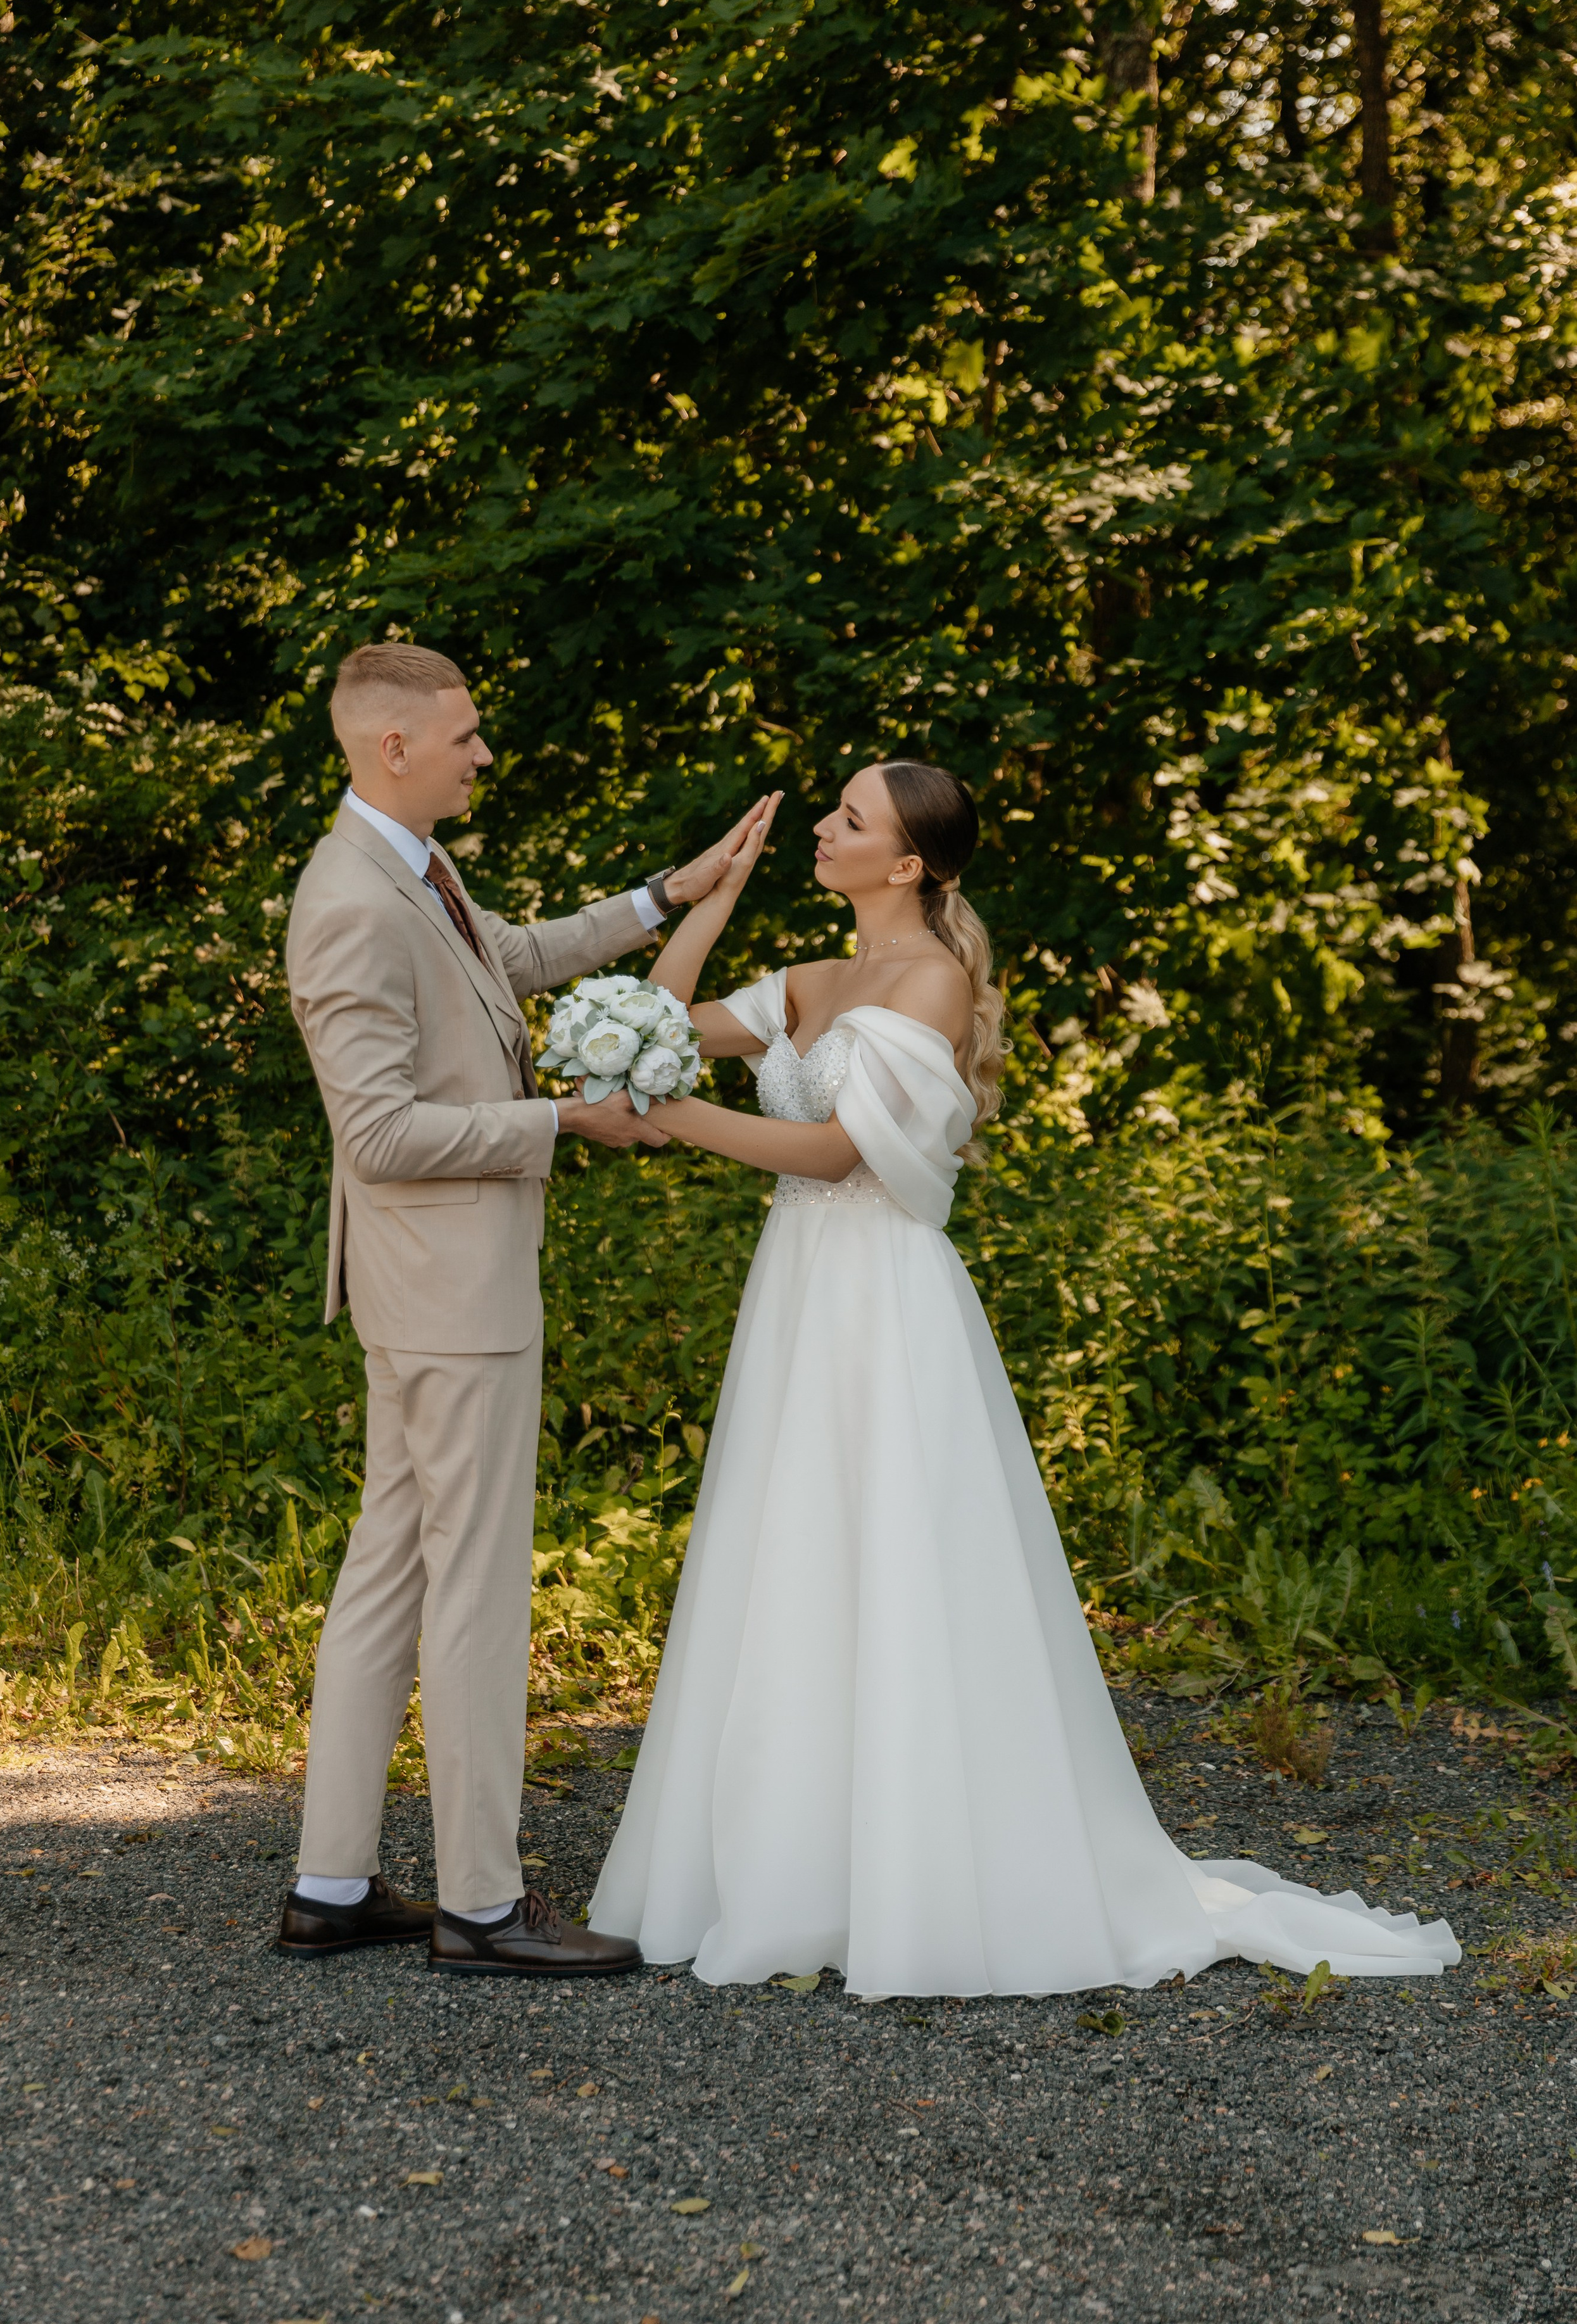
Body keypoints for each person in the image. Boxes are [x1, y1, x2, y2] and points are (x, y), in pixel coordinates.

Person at [589, 759, 1462, 1997]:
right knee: (790, 1554)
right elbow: (658, 1037)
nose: (823, 830)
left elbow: (836, 1154)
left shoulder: (931, 980)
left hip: (882, 1302)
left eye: (850, 820)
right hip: (794, 1297)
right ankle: (796, 1865)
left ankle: (924, 1873)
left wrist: (669, 1119)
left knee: (896, 1559)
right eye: (832, 812)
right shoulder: (804, 981)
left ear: (905, 864)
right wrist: (709, 908)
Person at [274, 638, 774, 1978]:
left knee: (390, 1569)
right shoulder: (349, 902)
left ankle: (331, 1885)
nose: (483, 753)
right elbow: (377, 1133)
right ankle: (483, 1908)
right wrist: (567, 1119)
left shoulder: (411, 869)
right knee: (476, 1587)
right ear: (393, 747)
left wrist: (667, 892)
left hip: (435, 1287)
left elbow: (507, 957)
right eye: (464, 736)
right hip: (448, 1293)